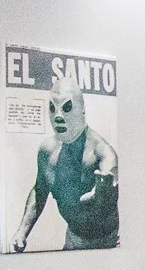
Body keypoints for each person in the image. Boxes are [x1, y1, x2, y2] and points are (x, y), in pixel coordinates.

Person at [13, 81, 120, 253]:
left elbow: (109, 184)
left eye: (67, 107)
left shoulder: (102, 152)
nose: (58, 116)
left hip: (109, 242)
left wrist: (102, 195)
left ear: (82, 109)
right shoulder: (47, 151)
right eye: (52, 108)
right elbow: (40, 190)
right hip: (73, 239)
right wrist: (22, 231)